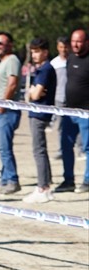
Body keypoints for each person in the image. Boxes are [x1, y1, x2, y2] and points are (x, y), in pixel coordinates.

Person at [23, 37, 58, 203]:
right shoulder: (42, 69)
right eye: (32, 52)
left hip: (39, 113)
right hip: (36, 112)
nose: (34, 55)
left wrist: (31, 92)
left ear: (45, 52)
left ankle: (42, 188)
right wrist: (31, 92)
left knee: (39, 150)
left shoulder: (45, 69)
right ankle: (47, 184)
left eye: (37, 51)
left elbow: (35, 95)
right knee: (40, 149)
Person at [0, 31, 22, 194]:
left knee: (4, 147)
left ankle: (12, 180)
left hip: (7, 110)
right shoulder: (2, 62)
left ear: (10, 45)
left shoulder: (12, 60)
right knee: (2, 147)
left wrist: (3, 103)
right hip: (0, 110)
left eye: (0, 43)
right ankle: (4, 179)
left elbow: (12, 84)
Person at [50, 36, 77, 191]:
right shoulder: (54, 63)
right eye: (61, 46)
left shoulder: (75, 61)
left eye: (66, 46)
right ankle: (68, 178)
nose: (64, 49)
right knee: (63, 132)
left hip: (77, 103)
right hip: (60, 101)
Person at [65, 29, 89, 193]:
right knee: (66, 146)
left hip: (86, 112)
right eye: (73, 41)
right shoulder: (71, 58)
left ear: (87, 42)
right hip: (69, 111)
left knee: (87, 148)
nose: (75, 44)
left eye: (79, 41)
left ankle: (87, 180)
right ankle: (68, 180)